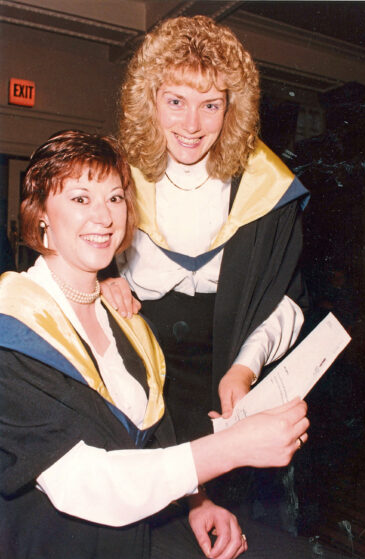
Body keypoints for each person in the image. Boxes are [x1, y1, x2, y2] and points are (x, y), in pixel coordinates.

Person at [0, 130, 323, 559]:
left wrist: (197, 500)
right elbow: (85, 483)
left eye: (115, 198)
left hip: (142, 527)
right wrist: (231, 449)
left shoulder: (126, 321)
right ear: (40, 216)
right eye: (80, 199)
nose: (104, 217)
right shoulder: (13, 327)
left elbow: (149, 440)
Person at [100, 15, 310, 519]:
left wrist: (246, 365)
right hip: (140, 369)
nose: (192, 126)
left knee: (237, 521)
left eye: (210, 105)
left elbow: (290, 300)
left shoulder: (267, 188)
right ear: (150, 100)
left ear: (230, 108)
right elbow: (77, 261)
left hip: (231, 369)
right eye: (176, 101)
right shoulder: (115, 176)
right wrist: (102, 281)